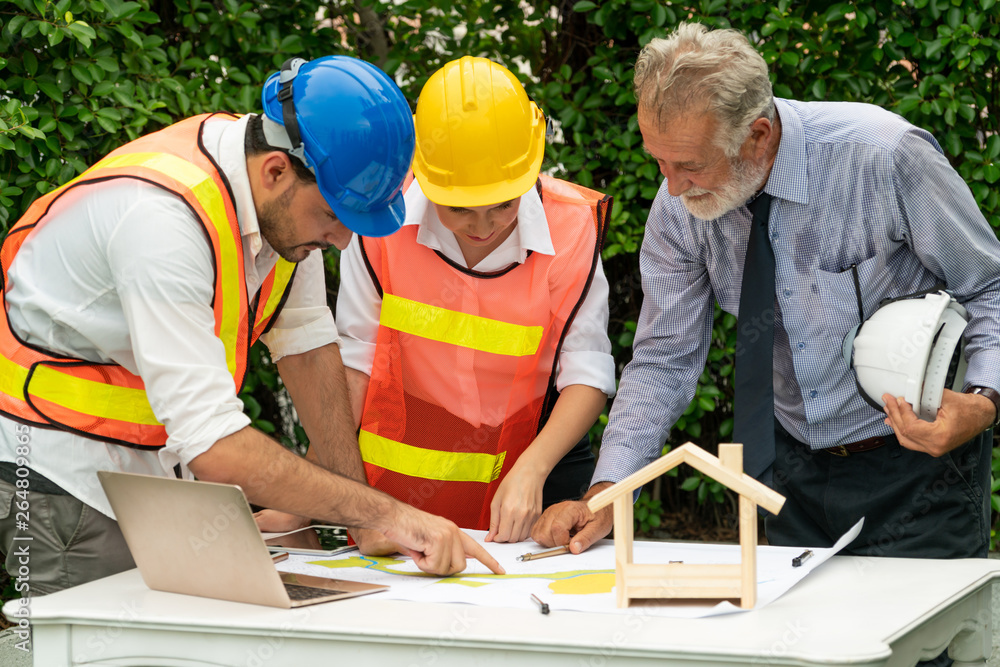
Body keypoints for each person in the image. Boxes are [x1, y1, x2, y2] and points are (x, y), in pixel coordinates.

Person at [0, 55, 502, 596]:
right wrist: (388, 512)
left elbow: (307, 348)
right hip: (61, 477)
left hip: (156, 473)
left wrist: (365, 517)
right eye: (335, 217)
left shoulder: (281, 209)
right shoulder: (161, 223)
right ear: (276, 171)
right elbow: (214, 444)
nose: (341, 242)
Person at [532, 23, 1000, 565]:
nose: (672, 186)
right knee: (790, 645)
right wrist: (610, 490)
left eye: (690, 165)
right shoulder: (676, 208)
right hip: (786, 470)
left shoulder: (884, 156)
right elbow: (665, 359)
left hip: (916, 465)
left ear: (757, 134)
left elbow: (988, 283)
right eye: (658, 161)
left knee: (919, 649)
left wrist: (984, 403)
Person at [337, 56, 617, 544]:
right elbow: (355, 360)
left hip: (538, 473)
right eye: (459, 208)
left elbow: (587, 372)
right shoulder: (379, 223)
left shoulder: (571, 231)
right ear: (422, 174)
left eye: (504, 204)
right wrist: (327, 486)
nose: (484, 228)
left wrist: (532, 470)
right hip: (400, 489)